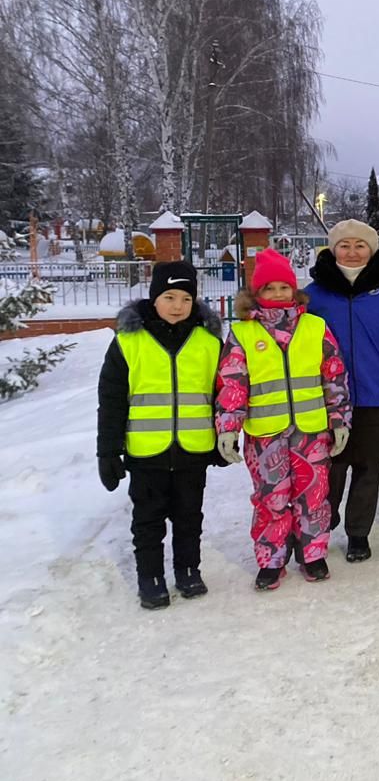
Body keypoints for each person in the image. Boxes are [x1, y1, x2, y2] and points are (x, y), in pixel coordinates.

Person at [215, 248, 351, 590]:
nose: (277, 294)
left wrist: (339, 419)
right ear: (255, 294)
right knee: (270, 498)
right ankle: (272, 559)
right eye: (269, 288)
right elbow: (233, 383)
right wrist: (228, 427)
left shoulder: (315, 327)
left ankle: (313, 553)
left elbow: (333, 376)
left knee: (314, 494)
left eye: (283, 287)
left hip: (310, 431)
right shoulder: (243, 334)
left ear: (294, 290)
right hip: (265, 434)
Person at [97, 261, 223, 610]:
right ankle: (150, 577)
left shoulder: (208, 341)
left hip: (193, 448)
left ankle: (187, 570)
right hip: (146, 451)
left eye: (185, 298)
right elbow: (110, 401)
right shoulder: (128, 342)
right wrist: (107, 451)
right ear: (154, 298)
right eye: (169, 296)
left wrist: (224, 438)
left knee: (189, 516)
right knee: (148, 520)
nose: (177, 306)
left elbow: (222, 394)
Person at [306, 220, 379, 563]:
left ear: (372, 251)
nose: (353, 252)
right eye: (345, 245)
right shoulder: (313, 296)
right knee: (329, 469)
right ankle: (320, 527)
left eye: (361, 245)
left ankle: (358, 534)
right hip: (325, 399)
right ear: (332, 249)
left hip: (378, 397)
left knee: (368, 468)